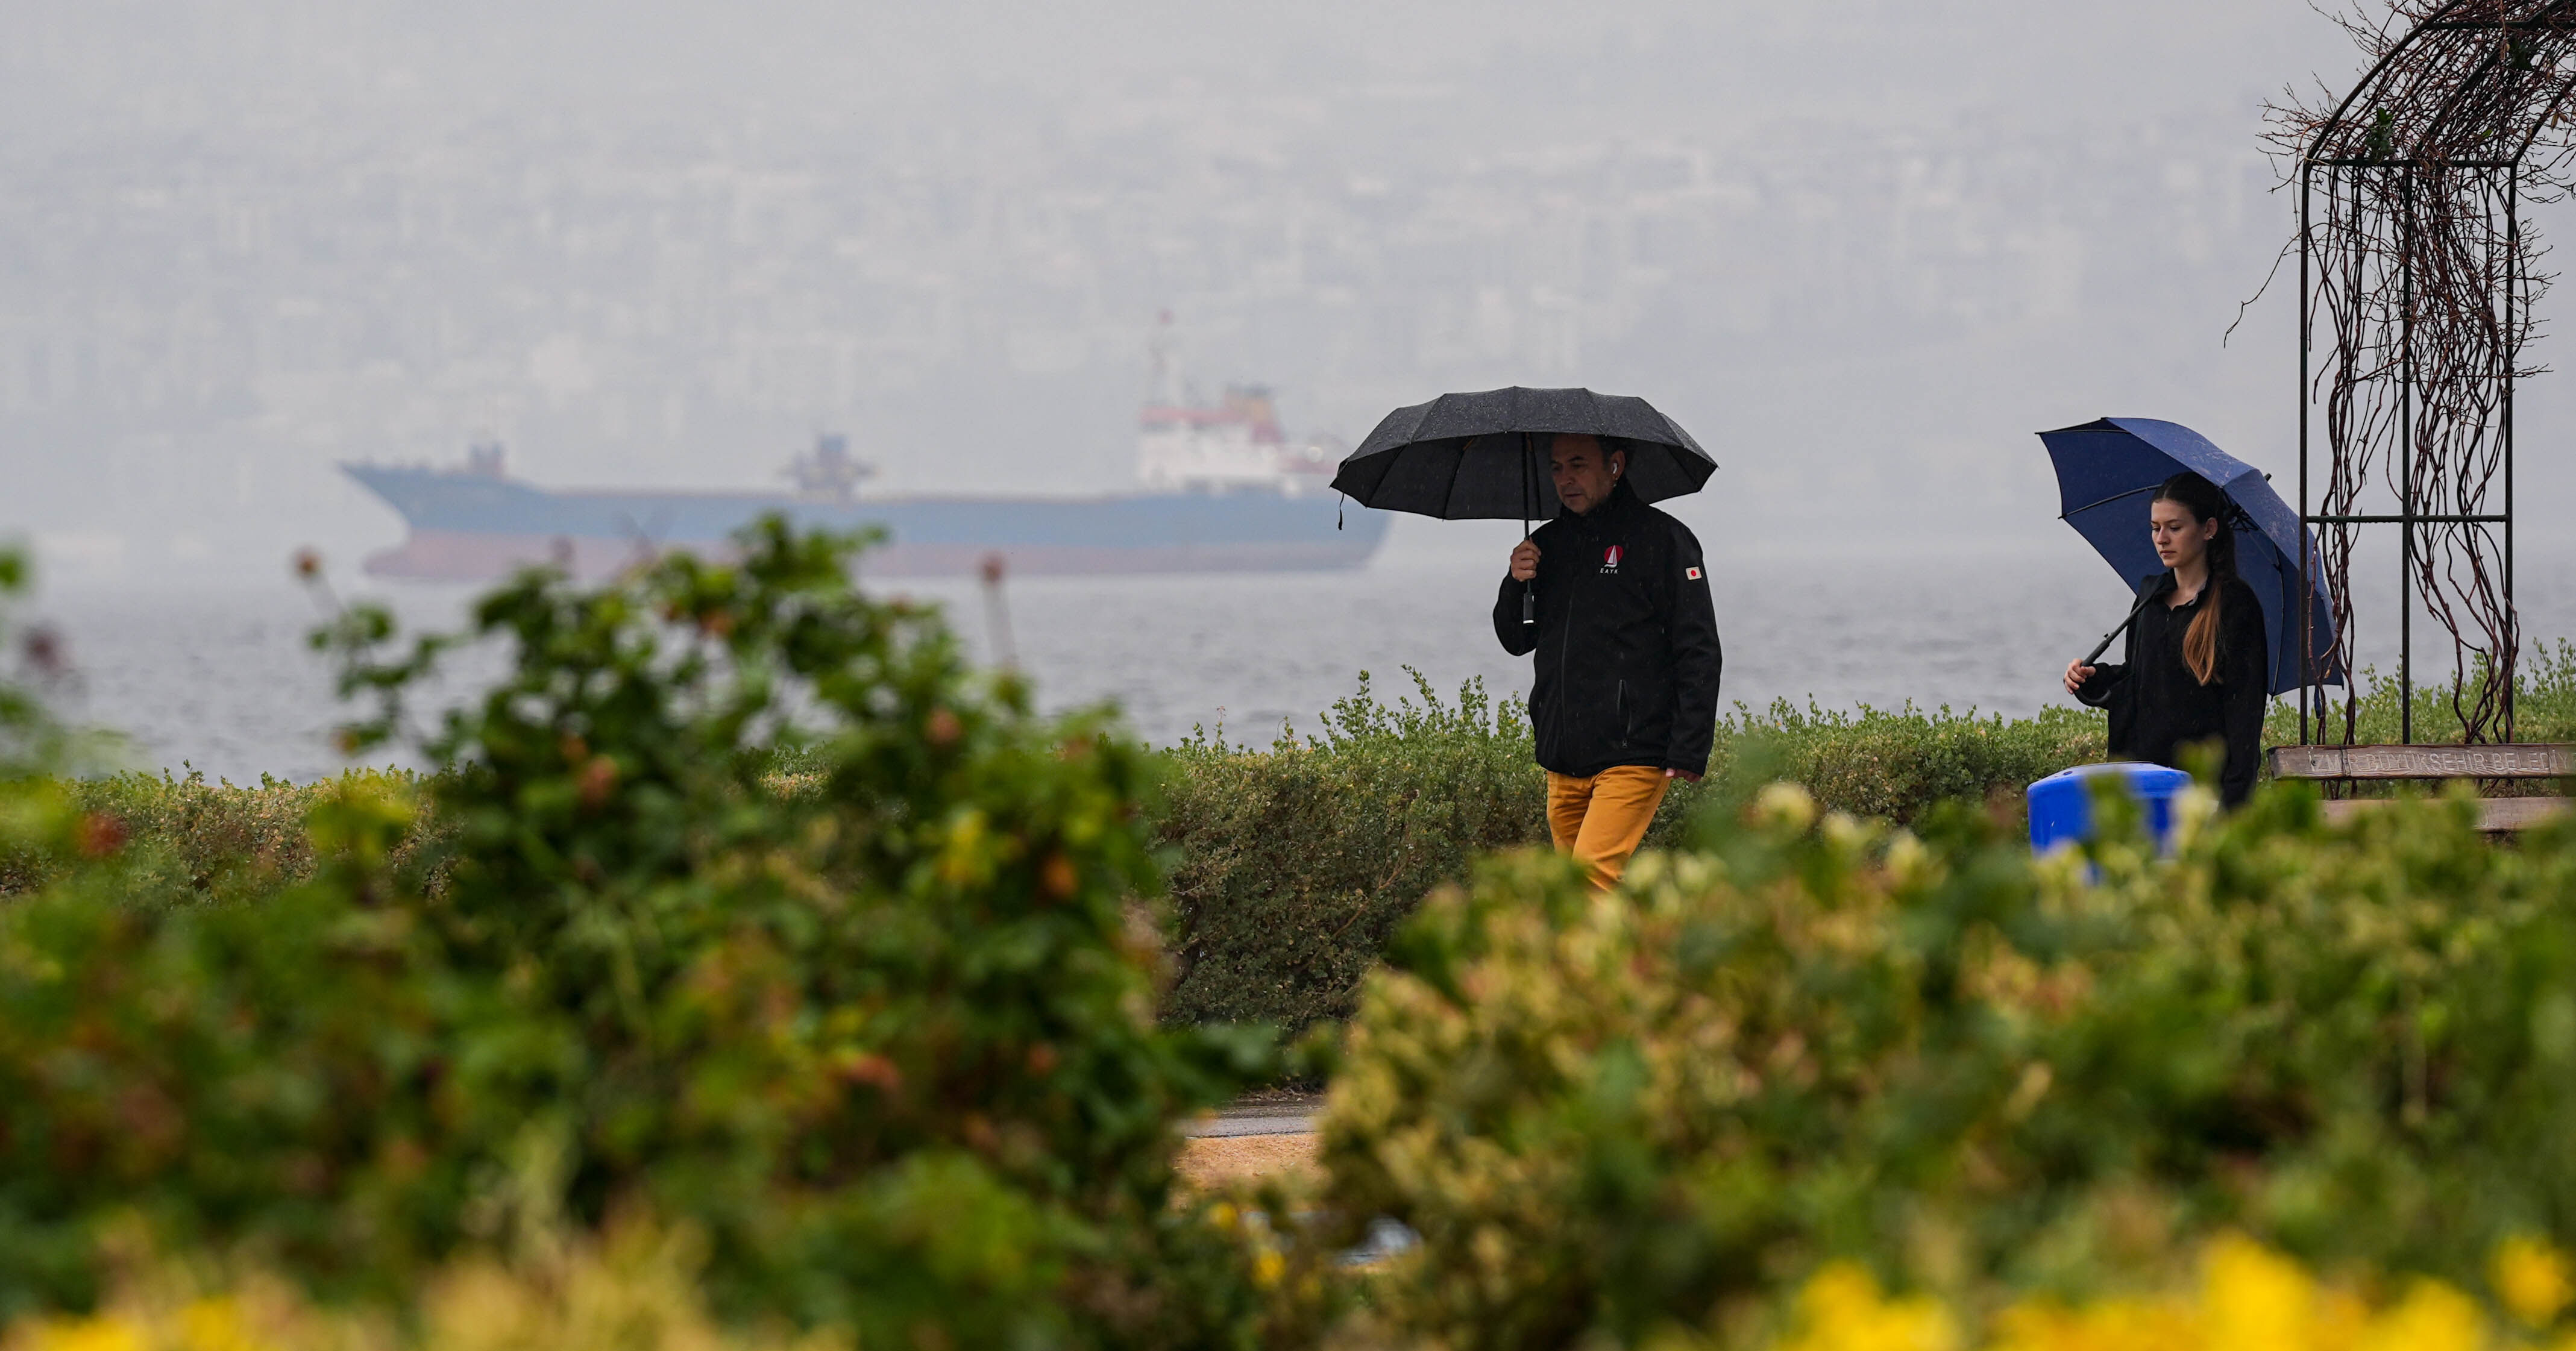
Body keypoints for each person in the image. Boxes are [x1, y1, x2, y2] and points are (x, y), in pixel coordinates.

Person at [1496, 432, 1724, 888]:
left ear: (1615, 465)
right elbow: (1517, 640)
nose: (1566, 479)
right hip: (1562, 756)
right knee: (1574, 893)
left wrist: (1690, 747)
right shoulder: (1545, 545)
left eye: (1578, 464)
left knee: (1590, 880)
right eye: (1557, 467)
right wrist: (1516, 581)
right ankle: (1640, 958)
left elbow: (1698, 648)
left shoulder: (1664, 539)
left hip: (1634, 750)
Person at [2062, 471, 2269, 806]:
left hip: (2202, 793)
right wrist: (2091, 677)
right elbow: (2138, 678)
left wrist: (2232, 802)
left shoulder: (2235, 605)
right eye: (2155, 528)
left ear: (2209, 529)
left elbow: (2245, 714)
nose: (2162, 539)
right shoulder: (2151, 595)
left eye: (2175, 528)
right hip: (2144, 785)